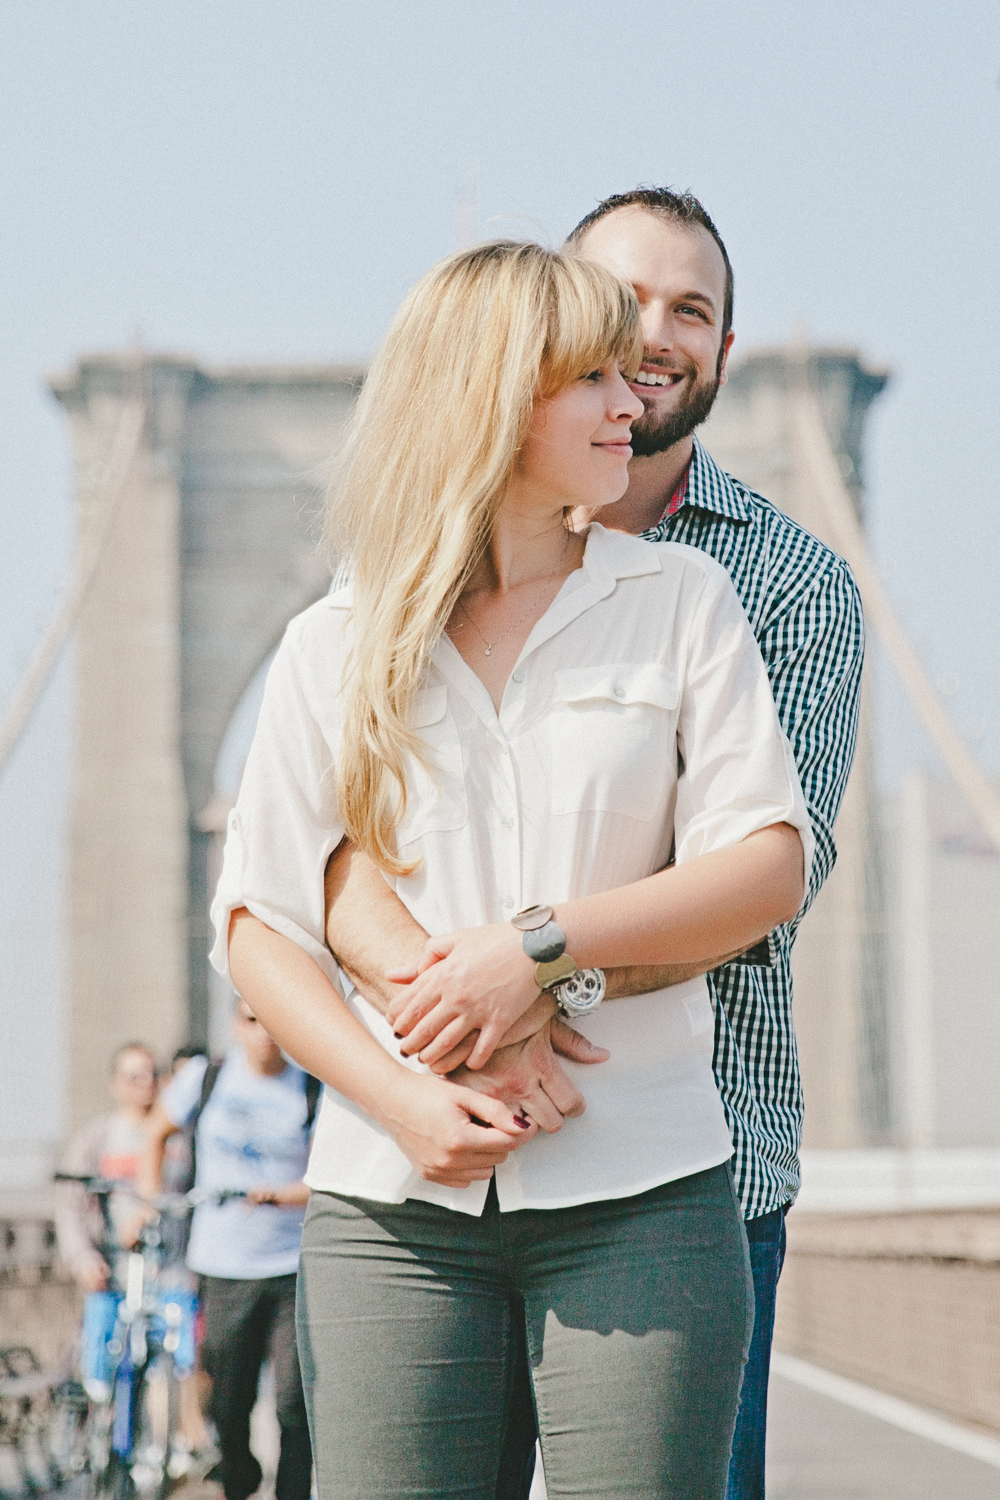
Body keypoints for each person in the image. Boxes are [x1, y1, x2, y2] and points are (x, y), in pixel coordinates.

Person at [213, 240, 813, 1499]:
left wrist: (534, 951)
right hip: (389, 1211)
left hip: (645, 1193)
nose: (629, 401)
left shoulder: (685, 602)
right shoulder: (334, 640)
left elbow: (764, 864)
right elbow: (262, 920)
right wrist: (403, 1099)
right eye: (588, 376)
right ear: (490, 397)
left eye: (627, 374)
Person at [137, 1002, 315, 1500]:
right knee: (227, 1402)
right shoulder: (206, 1077)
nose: (264, 1033)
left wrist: (282, 1193)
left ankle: (293, 1492)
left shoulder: (312, 1083)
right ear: (237, 1025)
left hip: (291, 1269)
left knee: (292, 1404)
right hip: (222, 1266)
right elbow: (155, 1134)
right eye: (252, 1020)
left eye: (274, 1019)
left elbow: (330, 1177)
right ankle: (239, 1478)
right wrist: (149, 1207)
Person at [54, 1043, 159, 1399]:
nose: (146, 1083)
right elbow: (69, 1206)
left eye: (152, 1074)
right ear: (115, 1084)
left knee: (172, 1368)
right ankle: (97, 1419)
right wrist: (83, 1258)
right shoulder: (97, 1138)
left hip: (164, 1273)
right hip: (111, 1269)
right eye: (134, 1076)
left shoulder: (174, 1135)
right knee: (102, 1365)